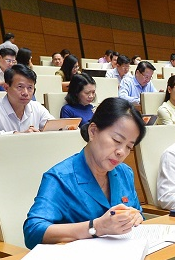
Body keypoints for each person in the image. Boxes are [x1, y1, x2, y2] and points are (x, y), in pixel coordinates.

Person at [23, 98, 146, 248]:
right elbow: (33, 232)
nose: (121, 152)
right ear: (93, 131)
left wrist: (136, 217)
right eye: (116, 140)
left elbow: (138, 214)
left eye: (129, 147)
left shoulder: (124, 173)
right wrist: (96, 227)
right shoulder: (60, 178)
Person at [0, 64, 54, 134]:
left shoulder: (37, 107)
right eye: (20, 87)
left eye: (30, 88)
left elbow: (55, 127)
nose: (25, 93)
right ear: (6, 87)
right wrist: (17, 135)